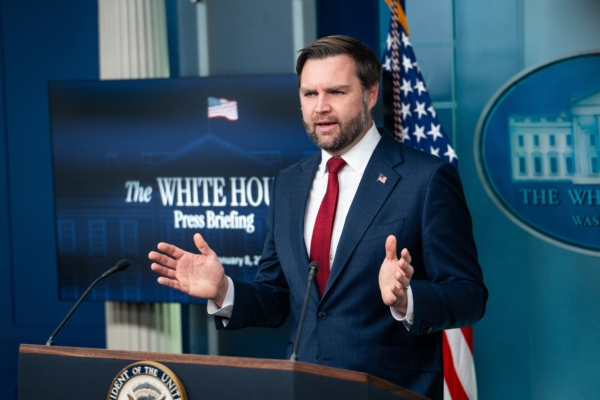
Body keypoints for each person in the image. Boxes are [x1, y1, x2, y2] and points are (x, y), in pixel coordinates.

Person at [149, 35, 487, 399]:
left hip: (390, 391)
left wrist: (407, 300)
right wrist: (224, 290)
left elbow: (469, 295)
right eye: (310, 94)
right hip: (304, 388)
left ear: (371, 94)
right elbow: (278, 296)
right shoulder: (287, 184)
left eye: (336, 92)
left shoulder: (426, 178)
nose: (320, 107)